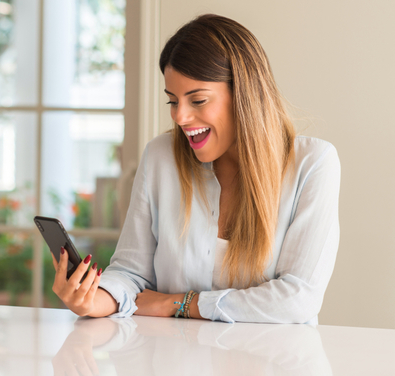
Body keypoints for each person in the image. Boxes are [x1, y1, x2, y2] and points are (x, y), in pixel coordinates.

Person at [50, 14, 340, 324]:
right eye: (172, 101)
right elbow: (131, 273)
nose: (180, 117)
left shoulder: (313, 163)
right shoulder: (160, 157)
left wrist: (180, 304)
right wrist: (95, 299)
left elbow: (298, 299)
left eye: (198, 100)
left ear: (244, 94)